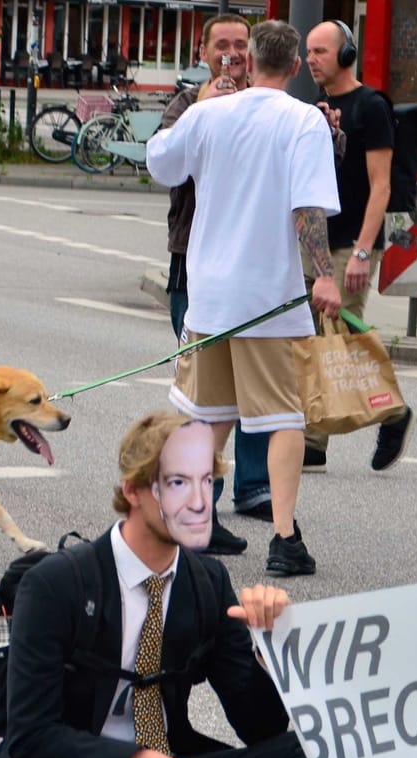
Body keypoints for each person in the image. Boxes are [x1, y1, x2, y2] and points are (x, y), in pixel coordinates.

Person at [0, 412, 324, 758]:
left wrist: (270, 649)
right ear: (133, 491)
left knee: (321, 745)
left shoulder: (206, 580)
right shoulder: (58, 583)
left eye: (206, 483)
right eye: (177, 484)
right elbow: (31, 737)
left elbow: (261, 729)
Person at [147, 19, 343, 578]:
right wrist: (323, 275)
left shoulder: (207, 113)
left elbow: (160, 161)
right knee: (283, 418)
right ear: (297, 67)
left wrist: (201, 104)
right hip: (270, 298)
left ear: (249, 60)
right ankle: (284, 538)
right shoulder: (303, 120)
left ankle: (188, 525)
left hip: (209, 294)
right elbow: (307, 209)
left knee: (204, 416)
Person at [160, 12, 263, 556]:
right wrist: (205, 107)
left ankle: (247, 487)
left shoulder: (268, 101)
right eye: (221, 44)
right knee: (203, 399)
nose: (231, 54)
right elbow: (164, 159)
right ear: (203, 52)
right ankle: (193, 509)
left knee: (247, 395)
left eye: (240, 44)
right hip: (197, 265)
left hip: (252, 272)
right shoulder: (187, 102)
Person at [298, 18, 416, 475]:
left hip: (352, 243)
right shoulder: (317, 106)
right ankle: (317, 437)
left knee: (340, 336)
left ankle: (390, 413)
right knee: (316, 340)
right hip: (317, 242)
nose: (311, 60)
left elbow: (380, 186)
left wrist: (365, 251)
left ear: (347, 54)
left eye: (320, 52)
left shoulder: (371, 106)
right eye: (308, 52)